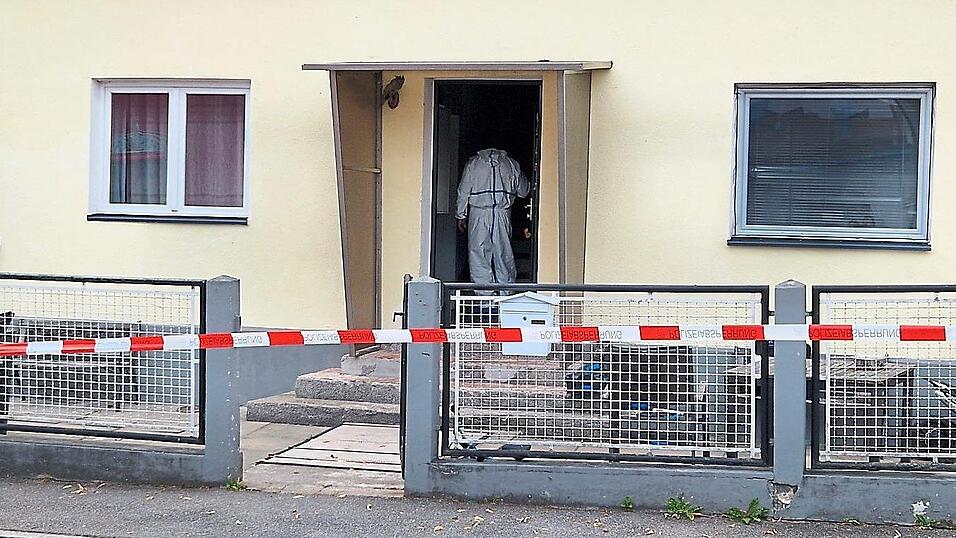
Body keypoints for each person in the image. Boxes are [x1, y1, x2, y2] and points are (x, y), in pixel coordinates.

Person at [456, 148, 530, 293]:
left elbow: (463, 191)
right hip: (503, 213)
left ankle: (484, 298)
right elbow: (524, 191)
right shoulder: (511, 164)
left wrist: (461, 215)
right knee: (504, 253)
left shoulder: (473, 164)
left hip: (478, 213)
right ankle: (506, 294)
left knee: (479, 255)